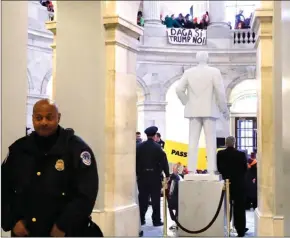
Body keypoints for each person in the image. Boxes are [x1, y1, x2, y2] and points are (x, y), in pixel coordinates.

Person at [1, 99, 101, 237]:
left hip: (64, 232)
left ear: (58, 118)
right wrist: (12, 220)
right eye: (38, 118)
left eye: (49, 117)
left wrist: (64, 225)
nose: (43, 122)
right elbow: (4, 187)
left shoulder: (76, 149)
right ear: (33, 119)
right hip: (26, 232)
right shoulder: (19, 149)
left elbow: (86, 193)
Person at [136, 126, 170, 227]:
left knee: (143, 199)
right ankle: (156, 220)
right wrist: (167, 174)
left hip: (142, 177)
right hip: (155, 177)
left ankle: (141, 219)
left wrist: (137, 173)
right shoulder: (158, 147)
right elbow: (164, 162)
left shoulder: (139, 147)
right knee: (155, 200)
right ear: (155, 135)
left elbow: (135, 161)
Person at [217, 136, 248, 237]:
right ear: (234, 143)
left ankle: (225, 227)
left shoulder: (220, 154)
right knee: (239, 208)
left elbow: (219, 168)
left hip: (226, 183)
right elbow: (245, 169)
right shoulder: (241, 154)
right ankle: (240, 230)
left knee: (225, 206)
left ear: (226, 143)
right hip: (239, 184)